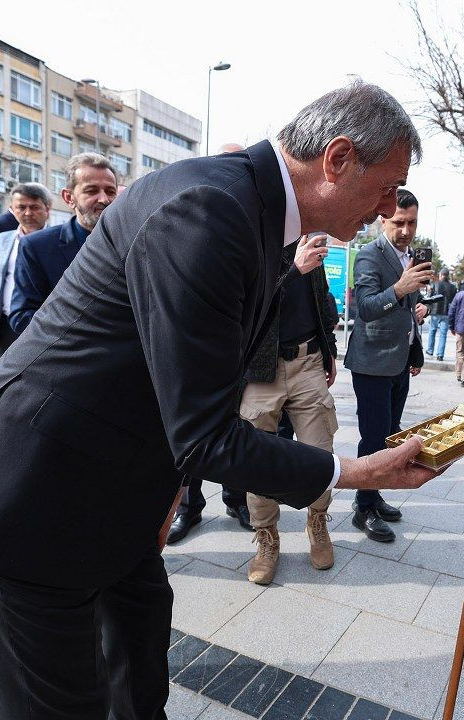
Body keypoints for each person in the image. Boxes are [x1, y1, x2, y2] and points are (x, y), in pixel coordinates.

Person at [0, 81, 438, 720]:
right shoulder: (210, 209)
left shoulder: (254, 209)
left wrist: (158, 500)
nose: (390, 207)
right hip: (23, 505)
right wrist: (354, 472)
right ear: (338, 158)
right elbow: (207, 431)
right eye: (387, 187)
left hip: (110, 493)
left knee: (140, 665)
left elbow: (182, 387)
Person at [165, 141, 252, 543]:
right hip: (194, 363)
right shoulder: (193, 224)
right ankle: (190, 507)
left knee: (234, 432)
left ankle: (237, 500)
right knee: (196, 440)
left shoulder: (257, 230)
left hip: (244, 364)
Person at [242, 232, 340, 584]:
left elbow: (320, 298)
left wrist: (329, 350)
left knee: (321, 450)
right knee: (256, 460)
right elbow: (246, 303)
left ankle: (317, 522)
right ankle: (266, 538)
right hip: (260, 368)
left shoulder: (308, 233)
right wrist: (293, 270)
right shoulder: (251, 231)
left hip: (308, 360)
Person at [344, 188, 433, 542]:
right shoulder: (369, 255)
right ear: (384, 219)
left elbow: (405, 313)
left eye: (412, 223)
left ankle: (374, 495)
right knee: (372, 437)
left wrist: (415, 343)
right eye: (399, 222)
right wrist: (400, 288)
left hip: (398, 361)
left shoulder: (410, 257)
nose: (406, 230)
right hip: (371, 362)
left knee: (390, 434)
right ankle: (363, 507)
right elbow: (364, 308)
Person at [8, 153, 117, 334]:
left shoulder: (135, 244)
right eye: (91, 191)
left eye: (110, 191)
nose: (104, 199)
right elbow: (22, 316)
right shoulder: (37, 247)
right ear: (69, 197)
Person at [0, 183, 51, 369]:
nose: (28, 213)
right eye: (21, 207)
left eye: (34, 207)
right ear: (12, 209)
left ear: (46, 209)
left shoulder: (57, 241)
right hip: (4, 325)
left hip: (40, 326)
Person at [425, 267, 456, 360]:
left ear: (441, 275)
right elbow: (453, 302)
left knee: (432, 331)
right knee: (443, 334)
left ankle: (430, 350)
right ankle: (440, 354)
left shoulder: (435, 284)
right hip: (446, 313)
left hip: (435, 311)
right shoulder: (453, 287)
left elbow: (430, 297)